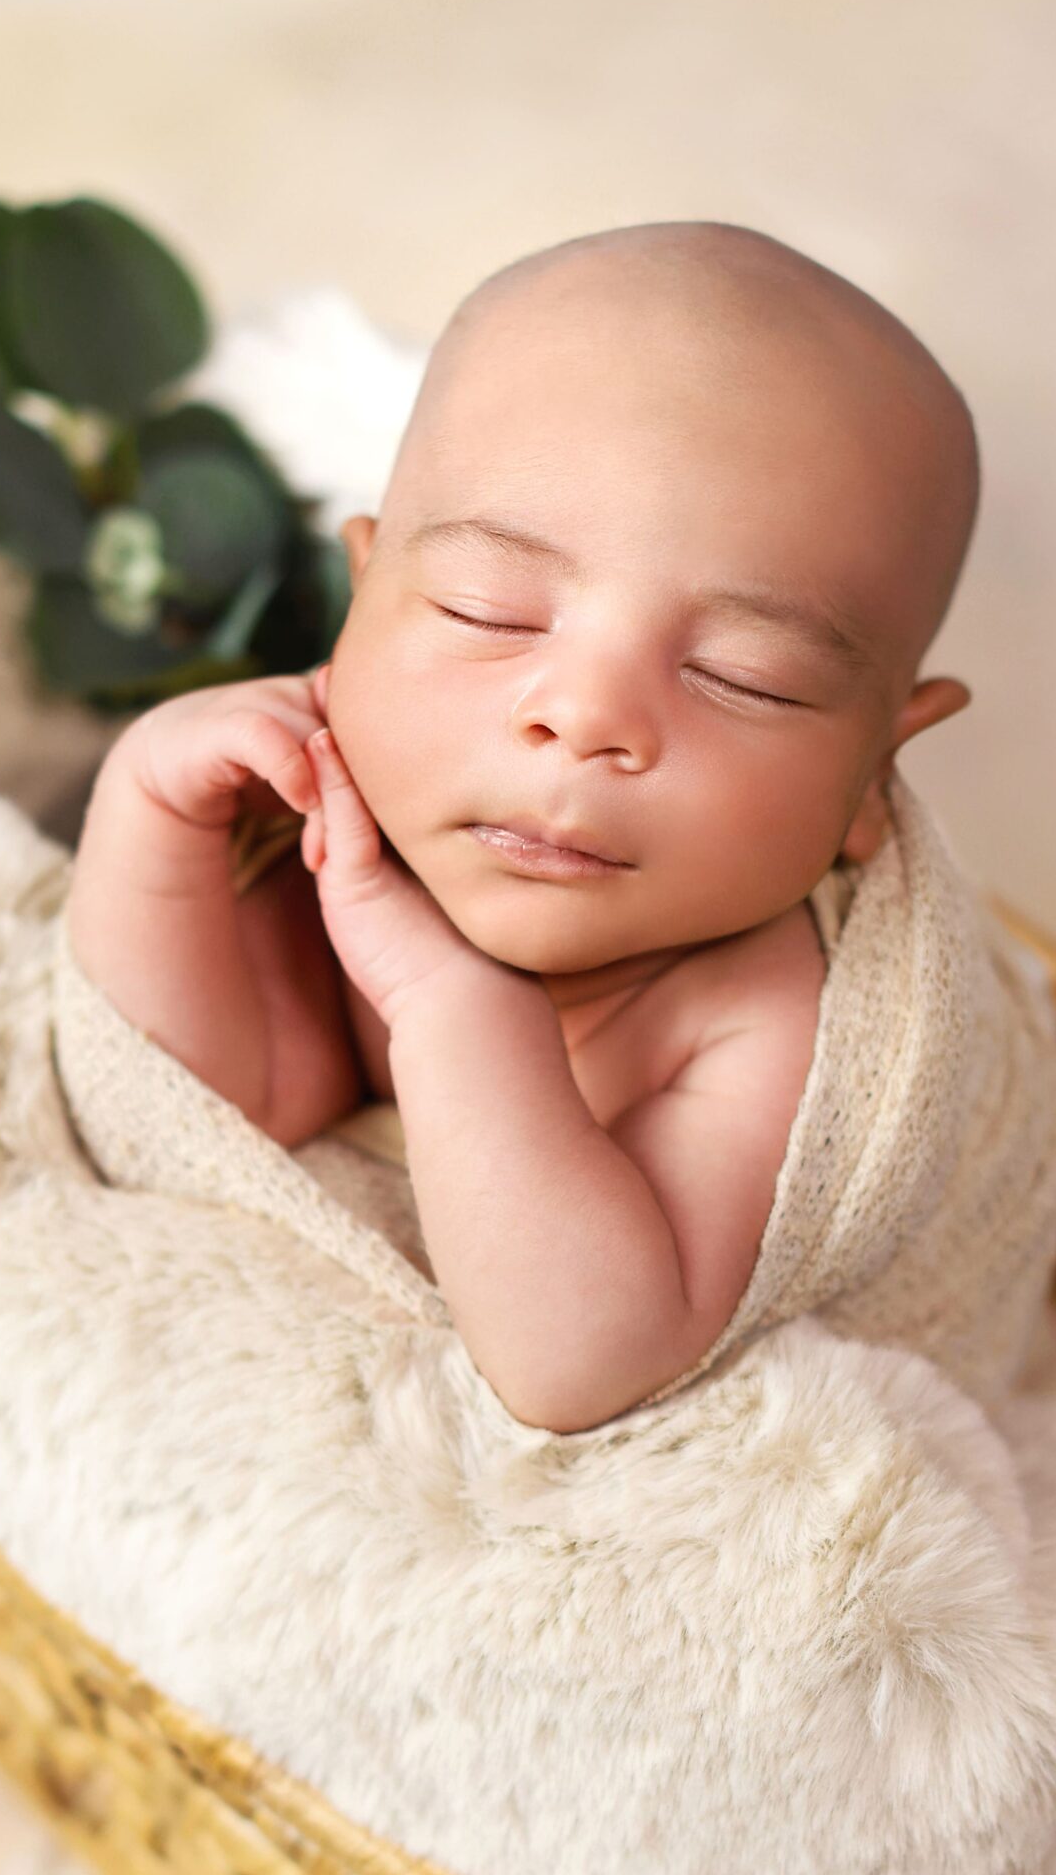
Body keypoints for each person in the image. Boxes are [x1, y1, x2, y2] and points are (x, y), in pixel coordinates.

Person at [57, 220, 987, 1433]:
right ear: (361, 601)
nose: (584, 718)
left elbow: (579, 1365)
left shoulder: (774, 1017)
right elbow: (210, 1112)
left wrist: (454, 1007)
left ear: (873, 771)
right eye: (485, 611)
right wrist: (151, 820)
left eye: (743, 677)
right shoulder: (347, 825)